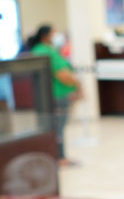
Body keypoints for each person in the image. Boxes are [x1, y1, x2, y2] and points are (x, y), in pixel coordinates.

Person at [26, 24, 82, 166]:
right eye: (54, 33)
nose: (57, 37)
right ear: (45, 36)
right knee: (57, 129)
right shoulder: (47, 52)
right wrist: (77, 84)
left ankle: (55, 157)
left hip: (46, 96)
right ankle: (60, 157)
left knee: (53, 128)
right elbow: (62, 74)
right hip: (58, 95)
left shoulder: (38, 50)